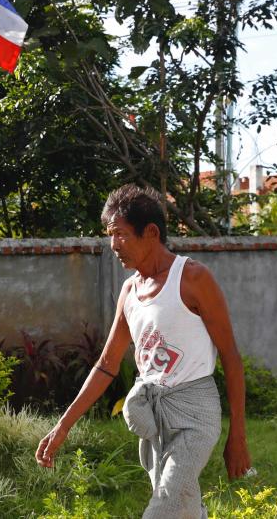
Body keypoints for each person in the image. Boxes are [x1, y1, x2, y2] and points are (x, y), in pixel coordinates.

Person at [35, 183, 252, 518]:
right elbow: (106, 365)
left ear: (151, 232)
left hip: (196, 413)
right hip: (151, 417)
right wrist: (63, 426)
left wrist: (238, 434)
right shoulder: (130, 292)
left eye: (120, 234)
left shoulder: (192, 279)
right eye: (110, 235)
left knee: (163, 505)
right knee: (183, 508)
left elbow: (231, 358)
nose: (113, 245)